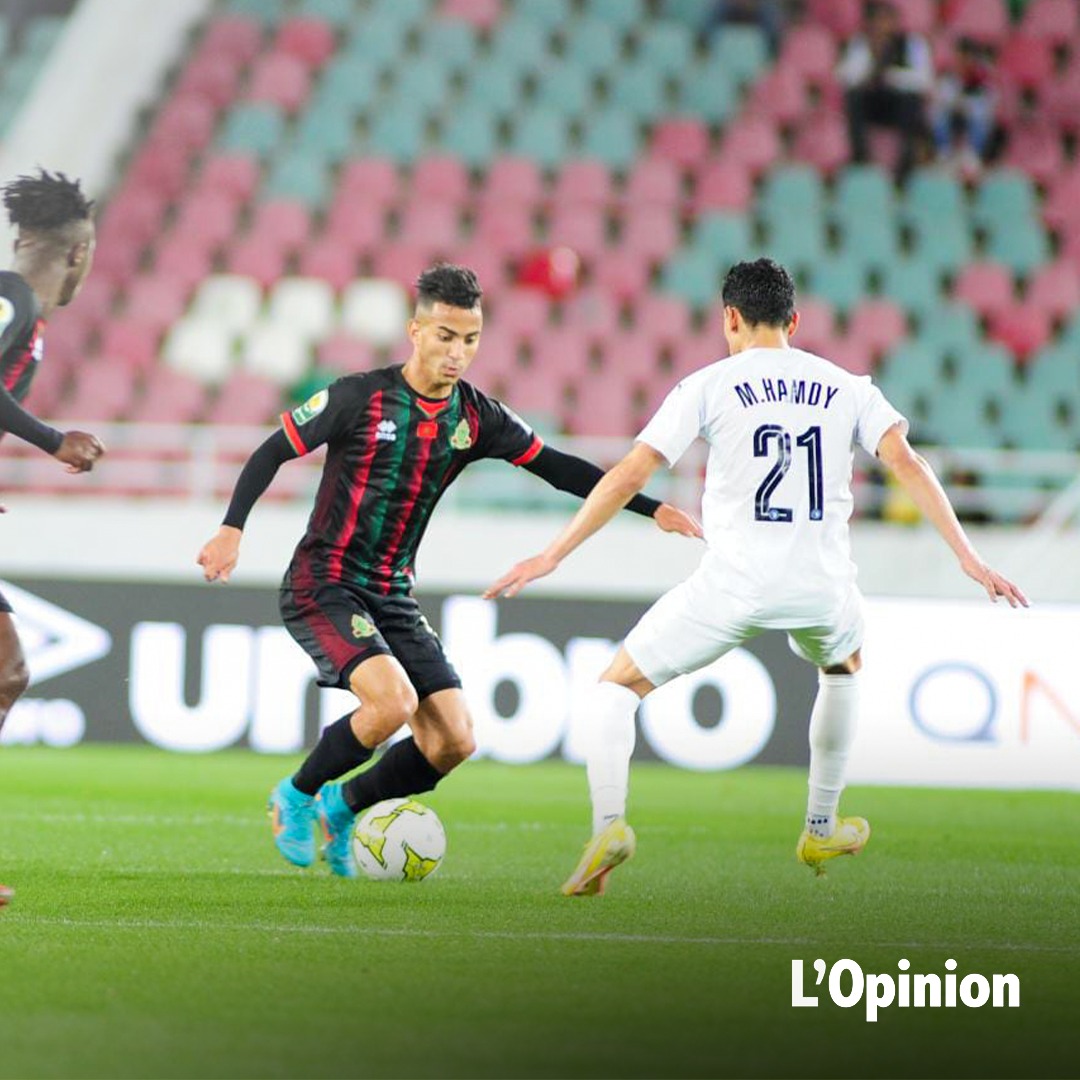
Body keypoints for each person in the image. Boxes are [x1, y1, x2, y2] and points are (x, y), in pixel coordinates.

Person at [485, 258, 1027, 897]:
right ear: (795, 321)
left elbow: (631, 473)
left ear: (730, 320)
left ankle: (608, 825)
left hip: (733, 584)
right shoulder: (847, 386)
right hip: (822, 587)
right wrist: (968, 557)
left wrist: (554, 554)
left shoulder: (708, 385)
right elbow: (907, 463)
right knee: (845, 663)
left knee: (614, 688)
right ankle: (820, 822)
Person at [197, 263, 700, 878]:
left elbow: (561, 468)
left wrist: (648, 507)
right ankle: (295, 796)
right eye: (444, 336)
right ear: (415, 330)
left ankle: (339, 806)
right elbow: (272, 449)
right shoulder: (359, 395)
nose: (457, 352)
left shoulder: (478, 417)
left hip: (391, 594)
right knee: (390, 705)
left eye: (470, 339)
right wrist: (231, 528)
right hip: (323, 583)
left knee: (454, 741)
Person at [0, 169, 106, 907]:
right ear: (77, 252)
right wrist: (52, 440)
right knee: (6, 672)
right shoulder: (11, 297)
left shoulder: (22, 310)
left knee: (7, 674)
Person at [837, 0, 933, 182]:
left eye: (887, 20)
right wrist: (873, 68)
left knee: (911, 101)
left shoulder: (913, 44)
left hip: (898, 105)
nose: (883, 26)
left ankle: (905, 166)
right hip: (871, 104)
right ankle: (860, 158)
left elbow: (923, 80)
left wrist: (890, 77)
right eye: (879, 20)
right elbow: (847, 76)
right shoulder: (862, 42)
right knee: (853, 98)